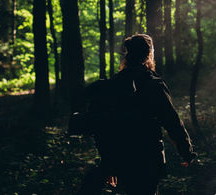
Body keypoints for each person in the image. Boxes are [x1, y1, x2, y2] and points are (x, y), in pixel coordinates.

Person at [76, 34, 197, 195]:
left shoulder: (113, 84)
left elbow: (103, 126)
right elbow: (172, 121)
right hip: (148, 158)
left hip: (120, 158)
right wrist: (186, 152)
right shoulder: (153, 84)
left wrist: (108, 160)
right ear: (149, 54)